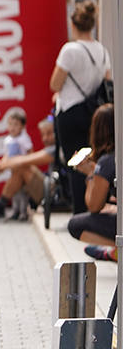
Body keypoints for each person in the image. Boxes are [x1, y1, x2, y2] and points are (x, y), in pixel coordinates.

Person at [50, 0, 111, 214]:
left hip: (71, 112)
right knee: (91, 160)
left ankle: (80, 212)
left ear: (73, 24)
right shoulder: (102, 50)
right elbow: (107, 81)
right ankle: (95, 207)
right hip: (94, 114)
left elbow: (54, 84)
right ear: (92, 24)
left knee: (76, 162)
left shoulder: (70, 50)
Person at [0, 116, 55, 222]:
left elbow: (26, 160)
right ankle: (3, 207)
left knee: (22, 167)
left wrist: (1, 165)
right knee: (19, 169)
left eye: (49, 133)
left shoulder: (55, 149)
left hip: (53, 193)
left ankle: (0, 207)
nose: (45, 138)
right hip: (47, 188)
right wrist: (3, 164)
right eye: (43, 134)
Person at [65, 104, 117, 261]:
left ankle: (116, 251)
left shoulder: (107, 160)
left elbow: (94, 205)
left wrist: (90, 174)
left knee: (75, 225)